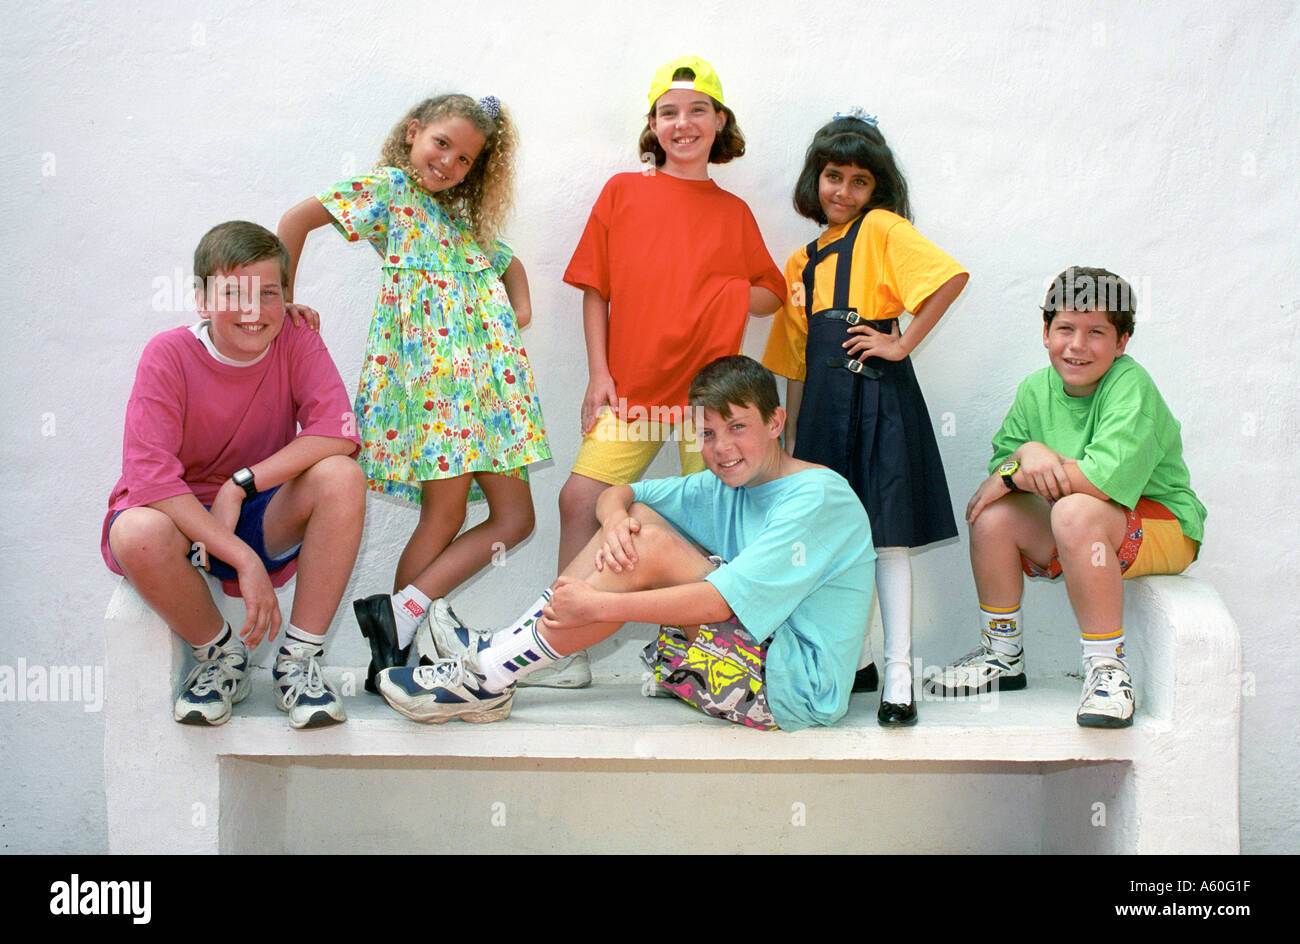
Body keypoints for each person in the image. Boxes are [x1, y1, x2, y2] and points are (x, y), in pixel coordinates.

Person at [376, 356, 876, 731]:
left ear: (775, 422)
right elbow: (622, 492)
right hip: (727, 665)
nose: (721, 448)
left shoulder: (816, 496)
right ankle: (497, 657)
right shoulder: (727, 482)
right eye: (707, 433)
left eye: (738, 427)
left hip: (793, 690)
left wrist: (598, 606)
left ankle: (486, 670)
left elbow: (721, 600)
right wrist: (614, 520)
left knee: (651, 546)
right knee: (636, 521)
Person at [278, 93, 550, 695]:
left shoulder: (459, 217)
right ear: (413, 133)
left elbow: (509, 265)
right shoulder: (390, 192)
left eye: (465, 159)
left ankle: (396, 623)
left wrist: (517, 310)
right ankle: (401, 650)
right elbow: (297, 220)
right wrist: (281, 299)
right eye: (442, 144)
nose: (450, 163)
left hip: (487, 386)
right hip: (435, 385)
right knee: (446, 513)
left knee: (516, 517)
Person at [553, 55, 787, 687]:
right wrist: (598, 373)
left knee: (714, 521)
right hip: (634, 389)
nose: (683, 124)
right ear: (653, 125)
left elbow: (772, 292)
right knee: (579, 497)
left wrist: (728, 292)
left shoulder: (733, 212)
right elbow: (594, 289)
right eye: (669, 112)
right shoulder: (623, 192)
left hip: (708, 403)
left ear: (719, 122)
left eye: (697, 110)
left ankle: (706, 656)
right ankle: (563, 645)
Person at [102, 221, 365, 728]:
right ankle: (222, 658)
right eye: (233, 292)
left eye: (268, 294)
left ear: (287, 297)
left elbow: (338, 433)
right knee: (135, 530)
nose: (252, 309)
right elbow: (152, 479)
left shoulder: (296, 337)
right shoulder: (167, 354)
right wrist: (241, 558)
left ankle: (299, 662)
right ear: (202, 299)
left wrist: (239, 484)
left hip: (256, 507)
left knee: (342, 476)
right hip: (180, 519)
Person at [927, 267, 1206, 728]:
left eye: (1096, 332)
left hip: (1162, 524)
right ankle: (1002, 654)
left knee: (1075, 509)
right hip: (1084, 525)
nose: (1077, 345)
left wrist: (1020, 470)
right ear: (1045, 332)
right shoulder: (1035, 389)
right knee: (992, 515)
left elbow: (1101, 480)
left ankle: (1107, 669)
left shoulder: (1130, 387)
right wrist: (1025, 457)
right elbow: (1002, 468)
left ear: (1122, 342)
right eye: (1065, 329)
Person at [761, 111, 968, 726]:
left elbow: (950, 278)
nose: (844, 192)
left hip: (879, 402)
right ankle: (854, 664)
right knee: (833, 542)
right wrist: (791, 436)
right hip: (822, 415)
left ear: (876, 190)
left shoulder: (882, 229)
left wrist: (899, 344)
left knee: (887, 537)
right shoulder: (800, 263)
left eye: (858, 181)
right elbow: (795, 360)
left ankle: (898, 675)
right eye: (832, 177)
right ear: (814, 180)